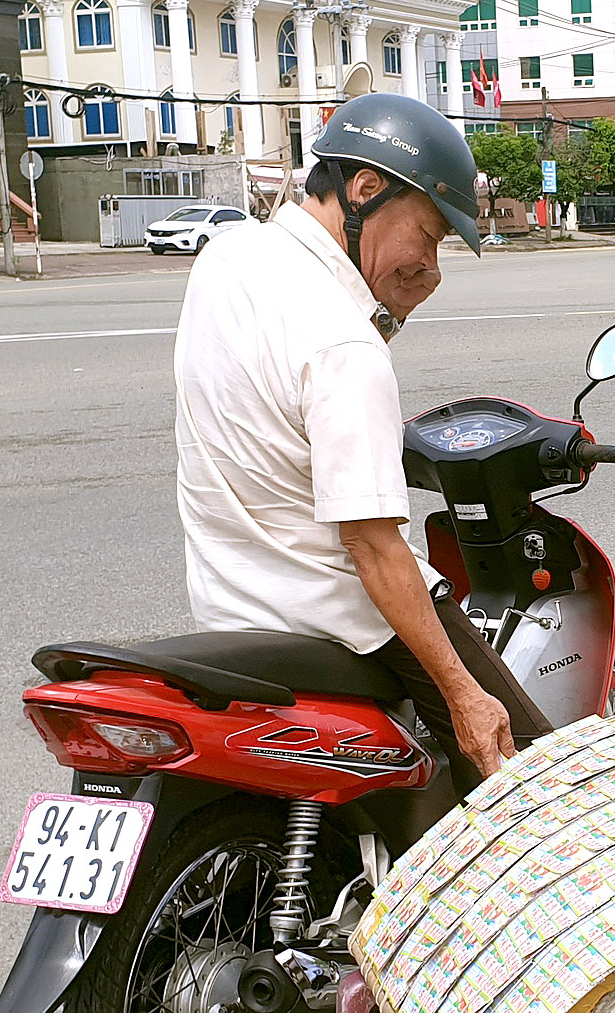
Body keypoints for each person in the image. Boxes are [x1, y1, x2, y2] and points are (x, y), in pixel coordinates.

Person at [174, 93, 549, 796]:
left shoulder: (227, 259)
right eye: (430, 235)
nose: (430, 263)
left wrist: (388, 302)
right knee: (528, 772)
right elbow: (374, 549)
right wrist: (466, 699)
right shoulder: (344, 344)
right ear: (366, 190)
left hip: (230, 610)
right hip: (336, 617)